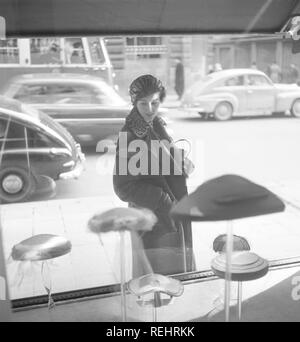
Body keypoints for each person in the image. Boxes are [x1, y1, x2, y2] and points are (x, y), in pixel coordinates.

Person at [113, 74, 194, 276]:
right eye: (143, 104)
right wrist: (163, 201)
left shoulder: (156, 125)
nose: (149, 109)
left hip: (171, 212)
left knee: (171, 274)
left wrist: (182, 163)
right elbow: (123, 187)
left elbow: (161, 160)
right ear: (134, 103)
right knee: (157, 278)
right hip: (153, 217)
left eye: (154, 103)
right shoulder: (129, 135)